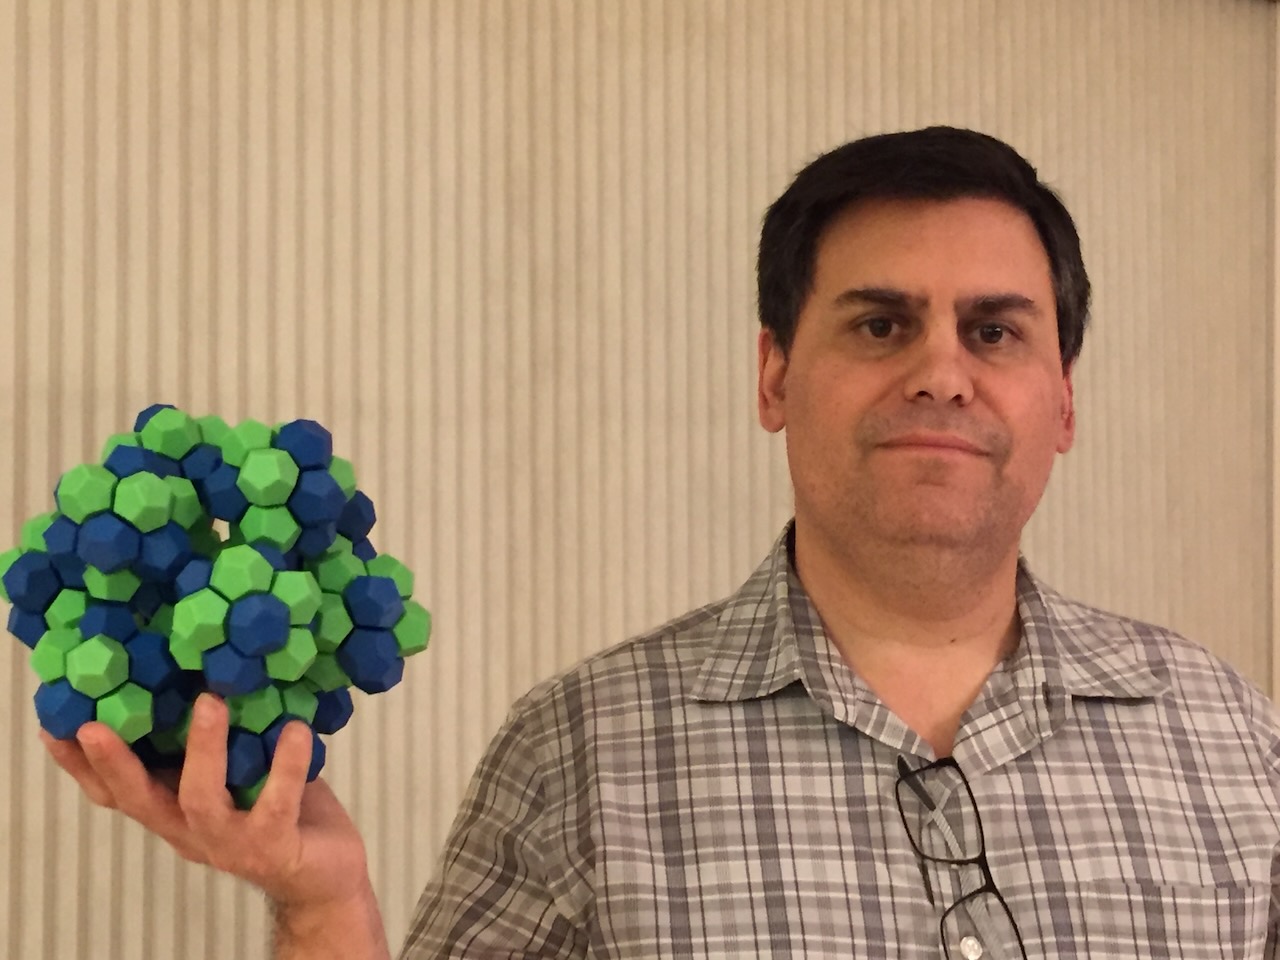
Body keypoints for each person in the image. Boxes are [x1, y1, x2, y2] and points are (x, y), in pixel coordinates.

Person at [44, 126, 1280, 958]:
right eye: (879, 323)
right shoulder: (578, 749)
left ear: (1063, 400)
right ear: (774, 373)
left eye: (995, 332)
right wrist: (320, 904)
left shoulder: (1234, 740)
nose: (940, 374)